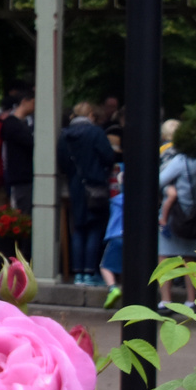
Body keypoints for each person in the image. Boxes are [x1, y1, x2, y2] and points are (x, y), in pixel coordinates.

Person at [58, 102, 120, 287]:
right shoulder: (96, 132)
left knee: (78, 228)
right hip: (95, 186)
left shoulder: (64, 135)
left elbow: (62, 160)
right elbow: (109, 157)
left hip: (75, 185)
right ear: (91, 115)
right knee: (94, 228)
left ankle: (78, 273)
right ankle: (90, 272)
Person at [158, 120, 196, 307]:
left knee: (164, 256)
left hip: (174, 216)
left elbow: (160, 181)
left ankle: (166, 300)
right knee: (191, 259)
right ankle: (192, 300)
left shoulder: (179, 160)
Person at [0, 89, 35, 211]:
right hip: (21, 176)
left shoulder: (21, 123)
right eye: (34, 103)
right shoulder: (13, 125)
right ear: (25, 101)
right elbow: (31, 143)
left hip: (23, 175)